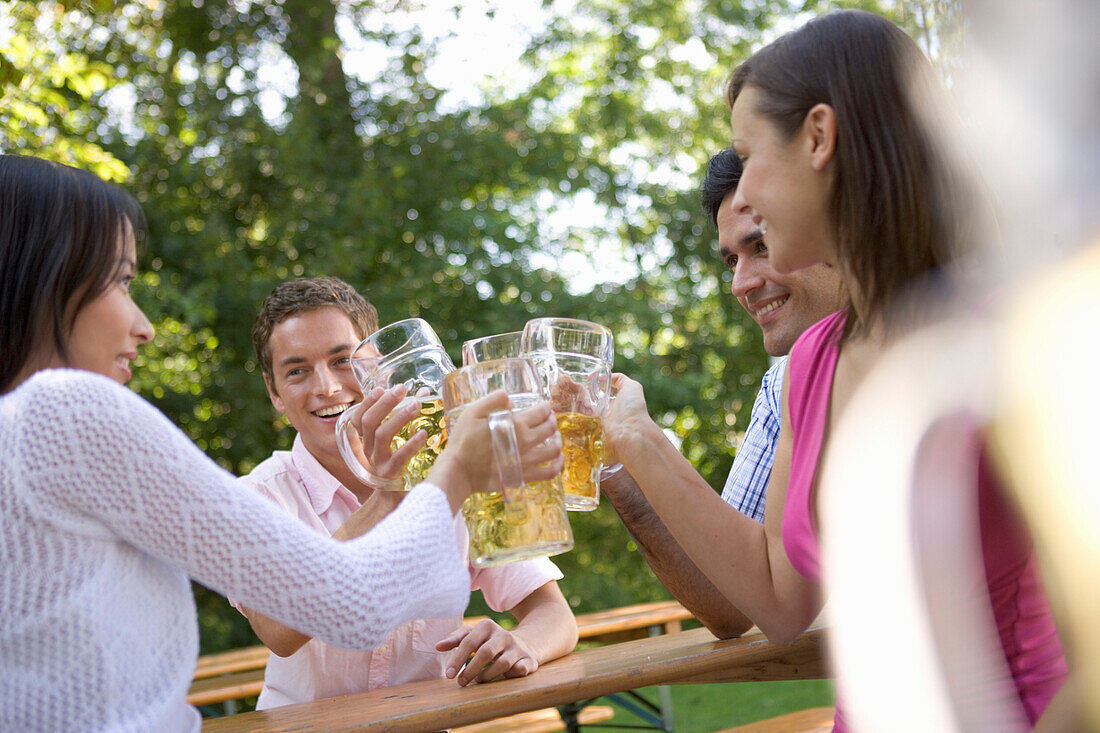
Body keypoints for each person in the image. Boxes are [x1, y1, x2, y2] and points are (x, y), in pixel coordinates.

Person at [603, 10, 1068, 731]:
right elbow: (778, 598)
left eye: (749, 153)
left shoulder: (1014, 328)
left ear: (819, 137)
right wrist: (635, 435)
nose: (744, 193)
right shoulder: (812, 364)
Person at [0, 154, 564, 732]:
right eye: (119, 280)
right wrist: (457, 470)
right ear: (42, 281)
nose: (143, 325)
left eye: (343, 360)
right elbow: (339, 604)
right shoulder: (61, 411)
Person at [233, 277, 578, 707]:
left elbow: (553, 615)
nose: (325, 387)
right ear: (275, 394)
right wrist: (388, 498)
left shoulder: (457, 467)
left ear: (378, 364)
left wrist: (521, 643)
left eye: (342, 361)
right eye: (297, 370)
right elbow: (278, 631)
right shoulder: (257, 497)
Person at [599, 148, 845, 638]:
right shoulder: (785, 384)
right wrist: (614, 457)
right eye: (731, 259)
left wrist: (636, 438)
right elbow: (734, 600)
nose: (740, 283)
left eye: (762, 246)